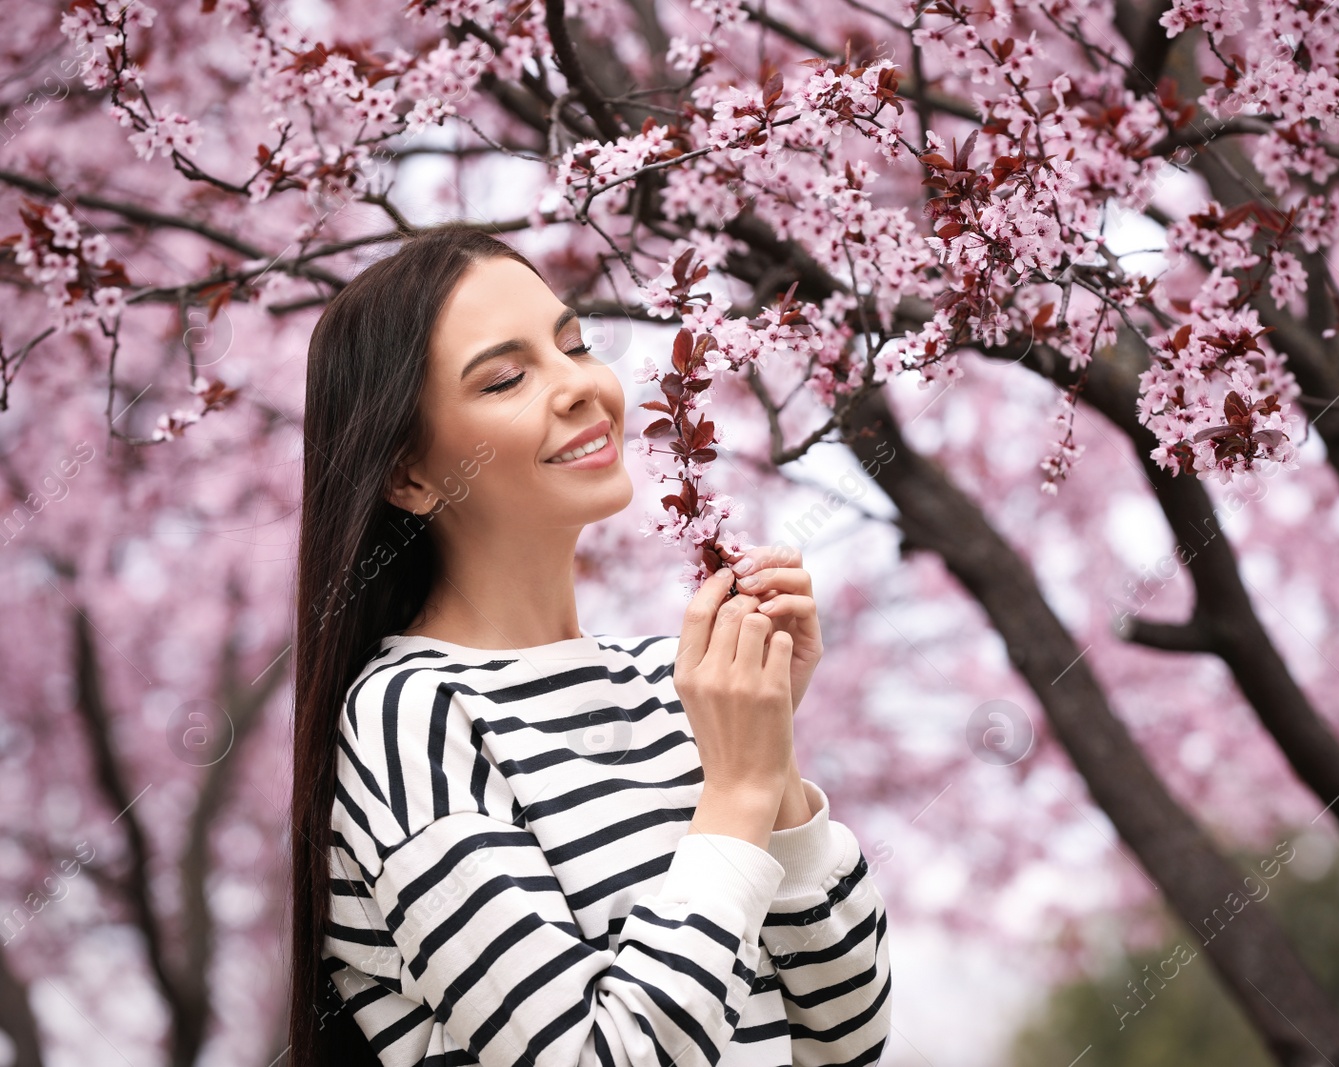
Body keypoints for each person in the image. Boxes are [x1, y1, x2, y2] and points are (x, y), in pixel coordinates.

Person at [289, 224, 892, 1067]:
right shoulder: (415, 716)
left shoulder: (665, 681)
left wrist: (770, 761)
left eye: (575, 344)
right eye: (506, 377)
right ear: (409, 476)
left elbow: (845, 1034)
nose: (577, 385)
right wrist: (738, 787)